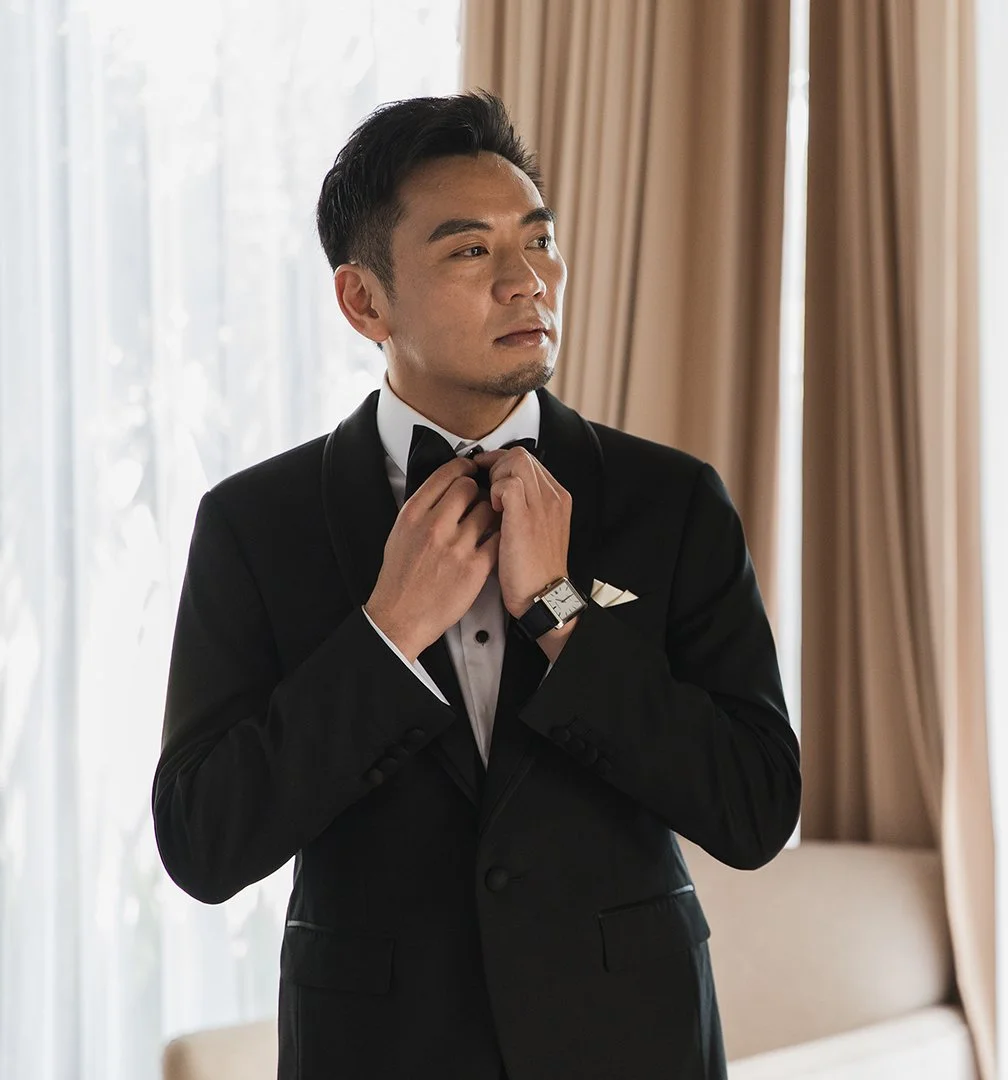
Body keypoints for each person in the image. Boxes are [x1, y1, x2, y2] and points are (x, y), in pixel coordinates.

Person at [151, 89, 800, 1080]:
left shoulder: (672, 502)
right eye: (470, 251)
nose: (527, 281)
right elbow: (206, 840)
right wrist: (386, 633)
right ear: (365, 301)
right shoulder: (254, 525)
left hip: (631, 1044)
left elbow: (754, 810)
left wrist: (559, 613)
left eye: (538, 241)